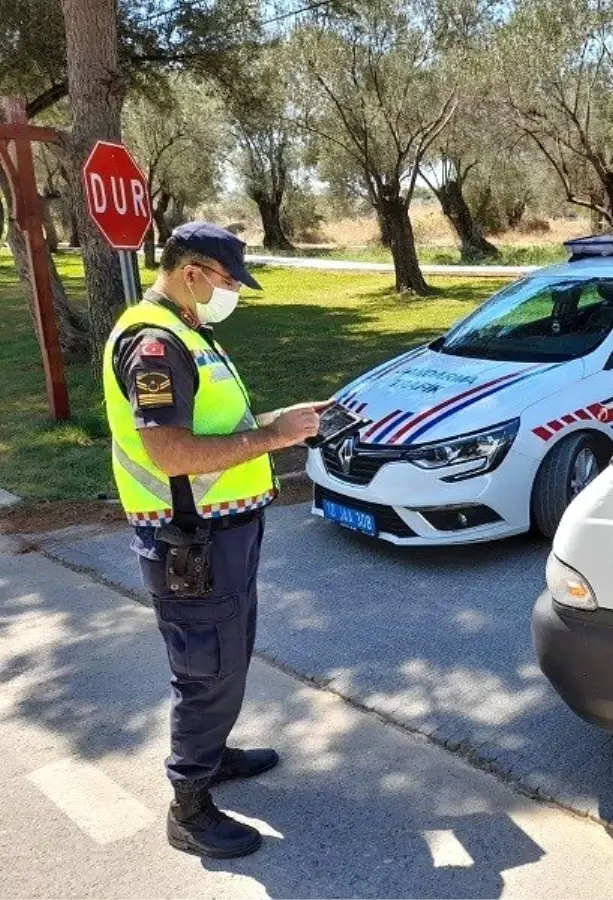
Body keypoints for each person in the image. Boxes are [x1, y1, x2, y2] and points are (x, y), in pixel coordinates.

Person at [101, 222, 326, 858]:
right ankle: (189, 806)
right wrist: (272, 439)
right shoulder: (153, 343)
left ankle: (212, 754)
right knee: (206, 669)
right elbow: (171, 452)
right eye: (228, 280)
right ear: (193, 271)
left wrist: (280, 422)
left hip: (224, 535)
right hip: (189, 542)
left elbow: (220, 427)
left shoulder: (190, 333)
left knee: (227, 658)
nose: (233, 292)